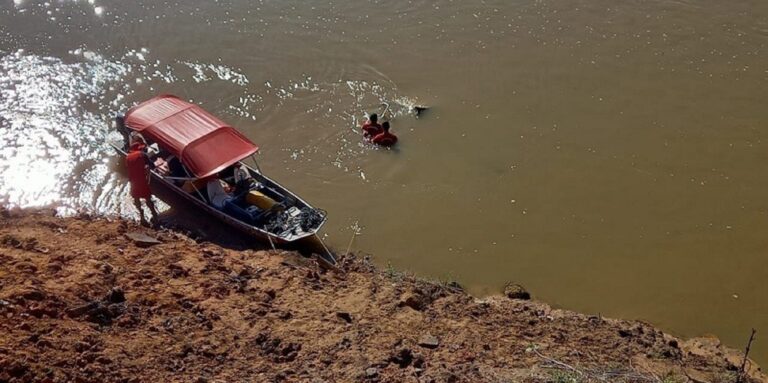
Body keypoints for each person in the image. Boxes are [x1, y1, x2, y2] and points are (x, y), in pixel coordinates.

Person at [125, 132, 159, 226]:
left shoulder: (128, 157)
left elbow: (128, 169)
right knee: (148, 198)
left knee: (136, 198)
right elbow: (151, 165)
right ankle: (154, 215)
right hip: (142, 180)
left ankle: (142, 216)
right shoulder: (142, 154)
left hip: (133, 181)